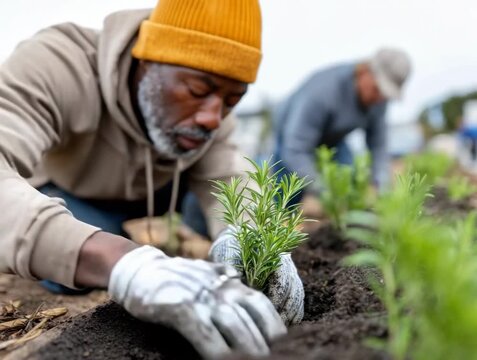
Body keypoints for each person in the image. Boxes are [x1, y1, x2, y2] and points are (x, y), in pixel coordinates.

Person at [0, 1, 304, 358]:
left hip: (163, 191)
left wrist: (252, 237)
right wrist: (122, 261)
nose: (213, 117)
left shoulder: (212, 112)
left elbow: (230, 173)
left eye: (231, 100)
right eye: (196, 90)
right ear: (147, 61)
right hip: (76, 192)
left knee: (224, 221)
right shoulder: (59, 65)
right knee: (67, 266)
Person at [273, 48, 412, 209]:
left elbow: (379, 147)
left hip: (332, 139)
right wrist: (325, 190)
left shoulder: (378, 101)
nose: (380, 98)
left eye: (386, 95)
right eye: (377, 89)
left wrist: (382, 188)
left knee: (348, 181)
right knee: (288, 192)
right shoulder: (323, 92)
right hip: (292, 137)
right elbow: (295, 150)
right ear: (364, 71)